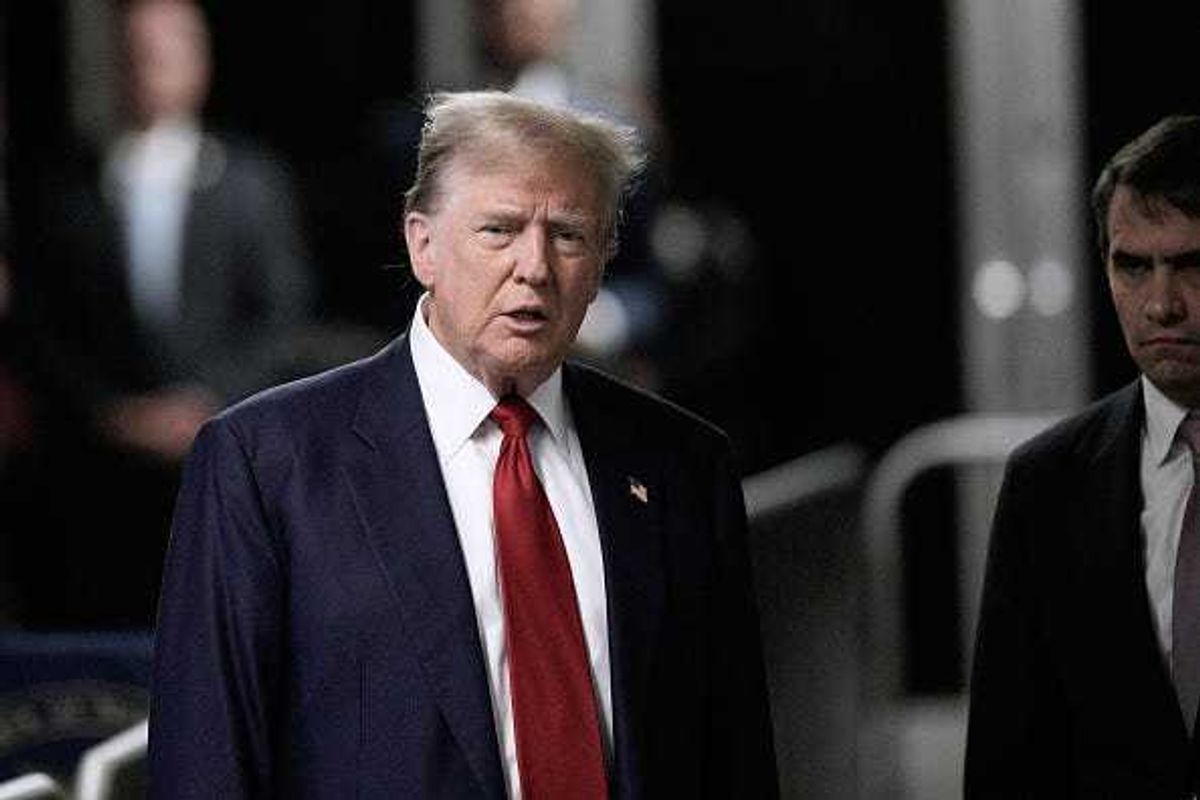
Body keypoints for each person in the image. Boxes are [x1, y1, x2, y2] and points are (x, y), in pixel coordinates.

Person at [149, 91, 778, 797]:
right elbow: (204, 767)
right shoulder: (266, 465)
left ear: (602, 264)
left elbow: (734, 759)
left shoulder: (683, 467)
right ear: (422, 244)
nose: (534, 267)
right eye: (499, 231)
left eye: (568, 235)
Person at [16, 0, 313, 627]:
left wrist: (208, 404)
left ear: (200, 62)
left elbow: (282, 316)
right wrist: (111, 412)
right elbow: (42, 328)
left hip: (223, 469)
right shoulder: (67, 187)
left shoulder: (252, 183)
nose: (151, 61)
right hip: (98, 484)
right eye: (137, 47)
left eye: (169, 46)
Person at [966, 114, 1200, 795]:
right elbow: (1006, 762)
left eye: (1192, 265)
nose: (1161, 305)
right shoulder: (1048, 483)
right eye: (1133, 266)